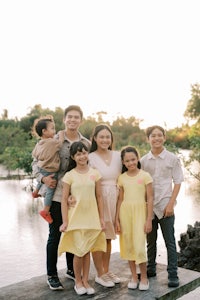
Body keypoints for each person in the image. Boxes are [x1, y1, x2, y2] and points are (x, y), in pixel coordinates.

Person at [32, 105, 91, 291]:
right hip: (56, 193)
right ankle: (51, 274)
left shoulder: (87, 143)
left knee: (74, 233)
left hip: (78, 196)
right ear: (65, 119)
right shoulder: (53, 139)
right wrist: (42, 178)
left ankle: (72, 271)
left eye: (76, 117)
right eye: (69, 117)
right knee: (55, 234)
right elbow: (36, 161)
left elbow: (90, 167)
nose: (73, 120)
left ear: (81, 120)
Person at [58, 141, 106, 295]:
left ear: (88, 154)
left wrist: (102, 219)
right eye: (78, 154)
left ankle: (86, 280)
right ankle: (78, 281)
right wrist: (65, 221)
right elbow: (64, 200)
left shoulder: (95, 173)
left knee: (87, 251)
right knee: (79, 252)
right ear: (73, 157)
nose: (82, 156)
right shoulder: (69, 176)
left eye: (84, 152)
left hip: (91, 218)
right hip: (76, 219)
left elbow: (99, 197)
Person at [140, 125, 184, 288]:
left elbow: (178, 181)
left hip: (166, 206)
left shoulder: (172, 159)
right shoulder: (143, 161)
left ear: (164, 138)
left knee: (170, 242)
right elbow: (141, 184)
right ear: (148, 139)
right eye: (153, 136)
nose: (156, 138)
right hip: (149, 207)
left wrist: (171, 204)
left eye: (160, 135)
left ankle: (173, 274)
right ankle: (151, 269)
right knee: (150, 241)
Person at [115, 146, 153, 291]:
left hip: (140, 214)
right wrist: (116, 219)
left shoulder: (145, 176)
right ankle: (134, 276)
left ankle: (144, 277)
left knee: (139, 245)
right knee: (128, 244)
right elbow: (120, 200)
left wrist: (149, 219)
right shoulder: (122, 178)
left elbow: (150, 198)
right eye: (127, 161)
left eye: (133, 159)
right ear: (123, 163)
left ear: (137, 158)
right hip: (125, 213)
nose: (131, 163)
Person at [88, 124, 122, 287]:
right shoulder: (90, 157)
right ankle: (99, 273)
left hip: (114, 197)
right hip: (98, 198)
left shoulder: (117, 155)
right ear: (95, 138)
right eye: (101, 137)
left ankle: (106, 271)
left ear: (111, 139)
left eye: (107, 137)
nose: (104, 140)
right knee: (98, 236)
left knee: (109, 237)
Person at [31, 115, 63, 224]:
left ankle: (35, 192)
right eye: (52, 128)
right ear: (44, 131)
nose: (55, 131)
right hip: (50, 169)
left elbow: (34, 155)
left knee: (43, 178)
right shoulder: (51, 142)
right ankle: (45, 210)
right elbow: (60, 143)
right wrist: (62, 135)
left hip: (41, 167)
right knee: (50, 189)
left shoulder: (39, 143)